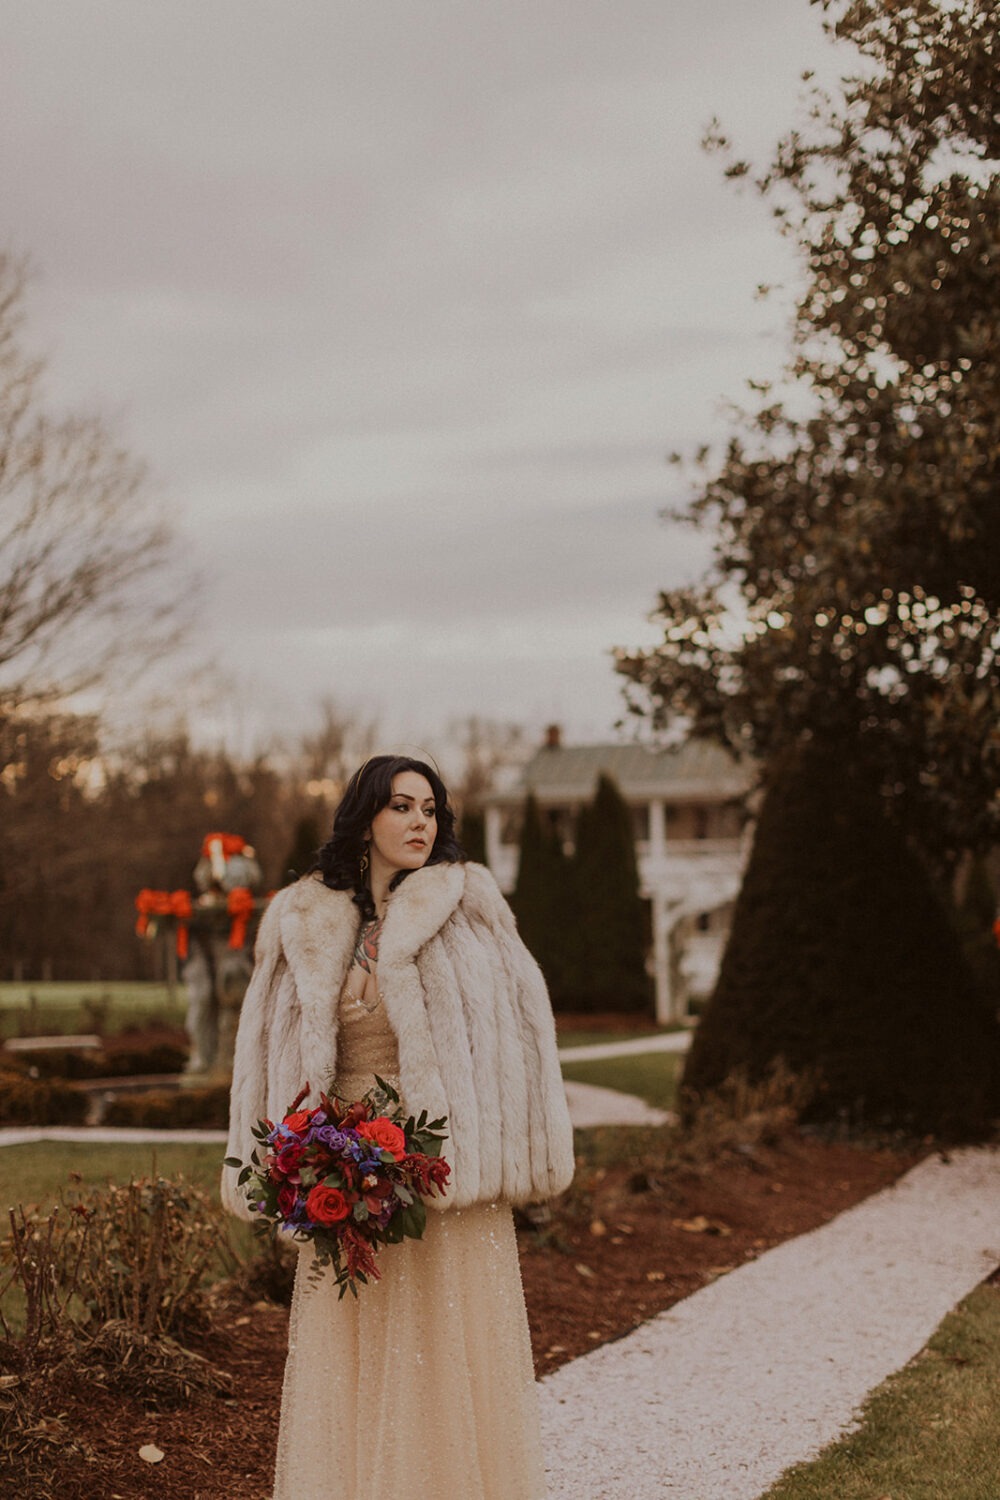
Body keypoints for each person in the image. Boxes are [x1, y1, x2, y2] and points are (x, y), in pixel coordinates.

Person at [222, 754, 575, 1500]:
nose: (421, 822)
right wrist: (300, 1152)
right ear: (365, 818)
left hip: (438, 1169)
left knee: (445, 1352)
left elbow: (514, 1038)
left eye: (430, 809)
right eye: (402, 807)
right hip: (337, 1170)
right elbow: (272, 1047)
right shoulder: (303, 918)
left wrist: (441, 1144)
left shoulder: (466, 907)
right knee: (349, 1350)